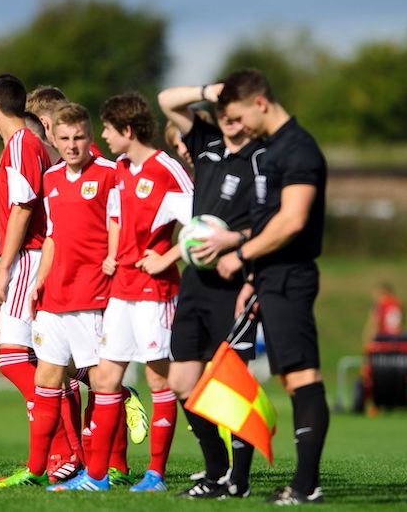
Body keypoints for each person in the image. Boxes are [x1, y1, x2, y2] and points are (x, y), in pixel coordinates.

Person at [67, 93, 192, 492]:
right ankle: (98, 477)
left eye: (106, 128)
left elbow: (204, 224)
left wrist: (167, 256)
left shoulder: (166, 170)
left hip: (155, 292)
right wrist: (112, 254)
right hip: (121, 291)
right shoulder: (120, 168)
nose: (102, 135)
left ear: (126, 130)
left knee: (159, 382)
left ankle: (155, 474)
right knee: (106, 380)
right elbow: (117, 217)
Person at [216, 68, 329, 505]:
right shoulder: (269, 150)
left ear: (259, 103)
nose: (239, 126)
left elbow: (292, 220)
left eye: (241, 116)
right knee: (290, 378)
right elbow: (265, 222)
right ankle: (303, 484)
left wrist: (241, 256)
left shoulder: (298, 148)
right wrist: (252, 278)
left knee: (303, 376)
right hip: (269, 277)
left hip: (291, 275)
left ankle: (305, 486)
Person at [156, 81, 264, 499]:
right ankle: (216, 469)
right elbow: (167, 100)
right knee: (182, 381)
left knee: (234, 384)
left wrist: (233, 241)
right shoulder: (205, 144)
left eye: (235, 114)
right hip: (196, 282)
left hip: (234, 282)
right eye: (223, 113)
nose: (228, 121)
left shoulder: (263, 160)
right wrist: (208, 89)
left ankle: (238, 480)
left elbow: (274, 225)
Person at [0, 74, 77, 482]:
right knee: (46, 361)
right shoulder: (28, 145)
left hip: (28, 257)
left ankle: (64, 450)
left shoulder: (21, 144)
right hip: (33, 256)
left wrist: (5, 264)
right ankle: (68, 454)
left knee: (12, 359)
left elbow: (23, 206)